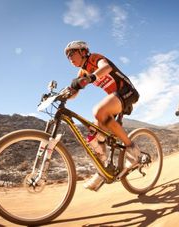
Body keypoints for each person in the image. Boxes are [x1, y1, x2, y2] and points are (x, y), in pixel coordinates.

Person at [64, 40, 140, 191]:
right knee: (95, 137)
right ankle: (102, 172)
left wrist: (90, 78)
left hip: (127, 91)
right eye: (67, 56)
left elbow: (106, 68)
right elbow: (74, 93)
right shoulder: (82, 72)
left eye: (72, 53)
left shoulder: (94, 58)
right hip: (115, 98)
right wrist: (64, 94)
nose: (70, 58)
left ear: (83, 51)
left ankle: (132, 149)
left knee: (98, 111)